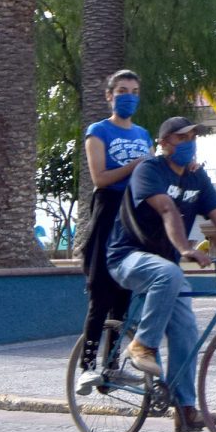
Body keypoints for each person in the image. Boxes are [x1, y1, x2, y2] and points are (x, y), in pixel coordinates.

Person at [106, 116, 216, 432]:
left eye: (193, 137)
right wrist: (184, 249)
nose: (190, 143)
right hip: (127, 257)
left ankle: (185, 408)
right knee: (170, 273)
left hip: (164, 267)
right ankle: (142, 346)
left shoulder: (196, 178)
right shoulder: (150, 170)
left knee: (187, 328)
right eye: (182, 138)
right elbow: (166, 210)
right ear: (164, 143)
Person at [76, 70, 154, 395]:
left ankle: (111, 368)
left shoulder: (143, 134)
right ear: (110, 96)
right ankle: (87, 365)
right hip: (108, 211)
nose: (129, 96)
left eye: (134, 90)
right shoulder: (98, 131)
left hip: (134, 216)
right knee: (101, 295)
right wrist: (135, 165)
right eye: (122, 90)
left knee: (123, 298)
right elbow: (100, 178)